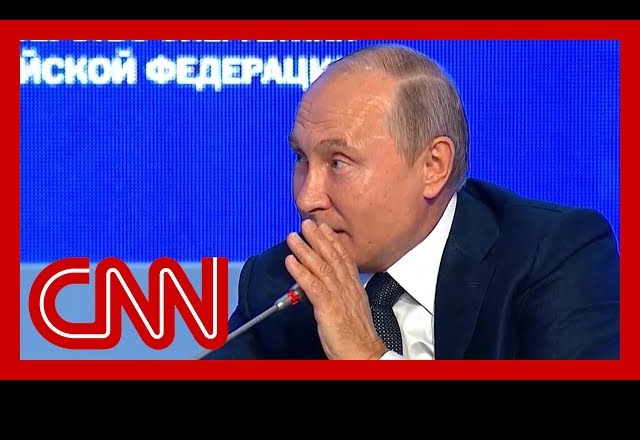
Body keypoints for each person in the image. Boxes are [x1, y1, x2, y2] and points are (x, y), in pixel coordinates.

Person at [200, 43, 620, 360]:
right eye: (300, 159)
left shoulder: (552, 254)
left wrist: (366, 356)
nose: (307, 198)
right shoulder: (279, 281)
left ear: (433, 166)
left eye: (338, 162)